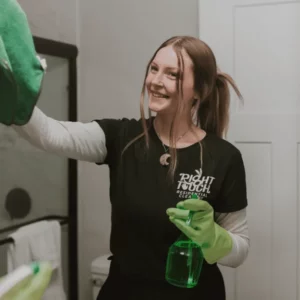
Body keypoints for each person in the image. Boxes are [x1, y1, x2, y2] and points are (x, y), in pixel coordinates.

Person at [8, 35, 250, 300]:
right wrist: (13, 98)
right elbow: (51, 134)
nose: (155, 81)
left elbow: (239, 250)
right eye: (154, 68)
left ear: (199, 91)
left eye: (173, 74)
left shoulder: (224, 157)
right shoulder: (121, 137)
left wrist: (215, 239)